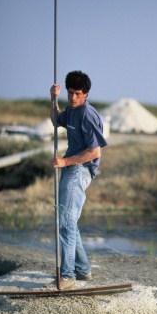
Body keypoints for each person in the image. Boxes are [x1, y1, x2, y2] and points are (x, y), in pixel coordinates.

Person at [50, 71, 107, 290]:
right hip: (71, 167)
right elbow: (56, 120)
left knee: (65, 222)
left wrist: (65, 162)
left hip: (80, 170)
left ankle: (68, 276)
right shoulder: (72, 110)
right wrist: (53, 98)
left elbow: (94, 152)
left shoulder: (87, 114)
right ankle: (83, 269)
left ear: (86, 94)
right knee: (69, 221)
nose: (73, 98)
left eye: (77, 94)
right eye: (70, 93)